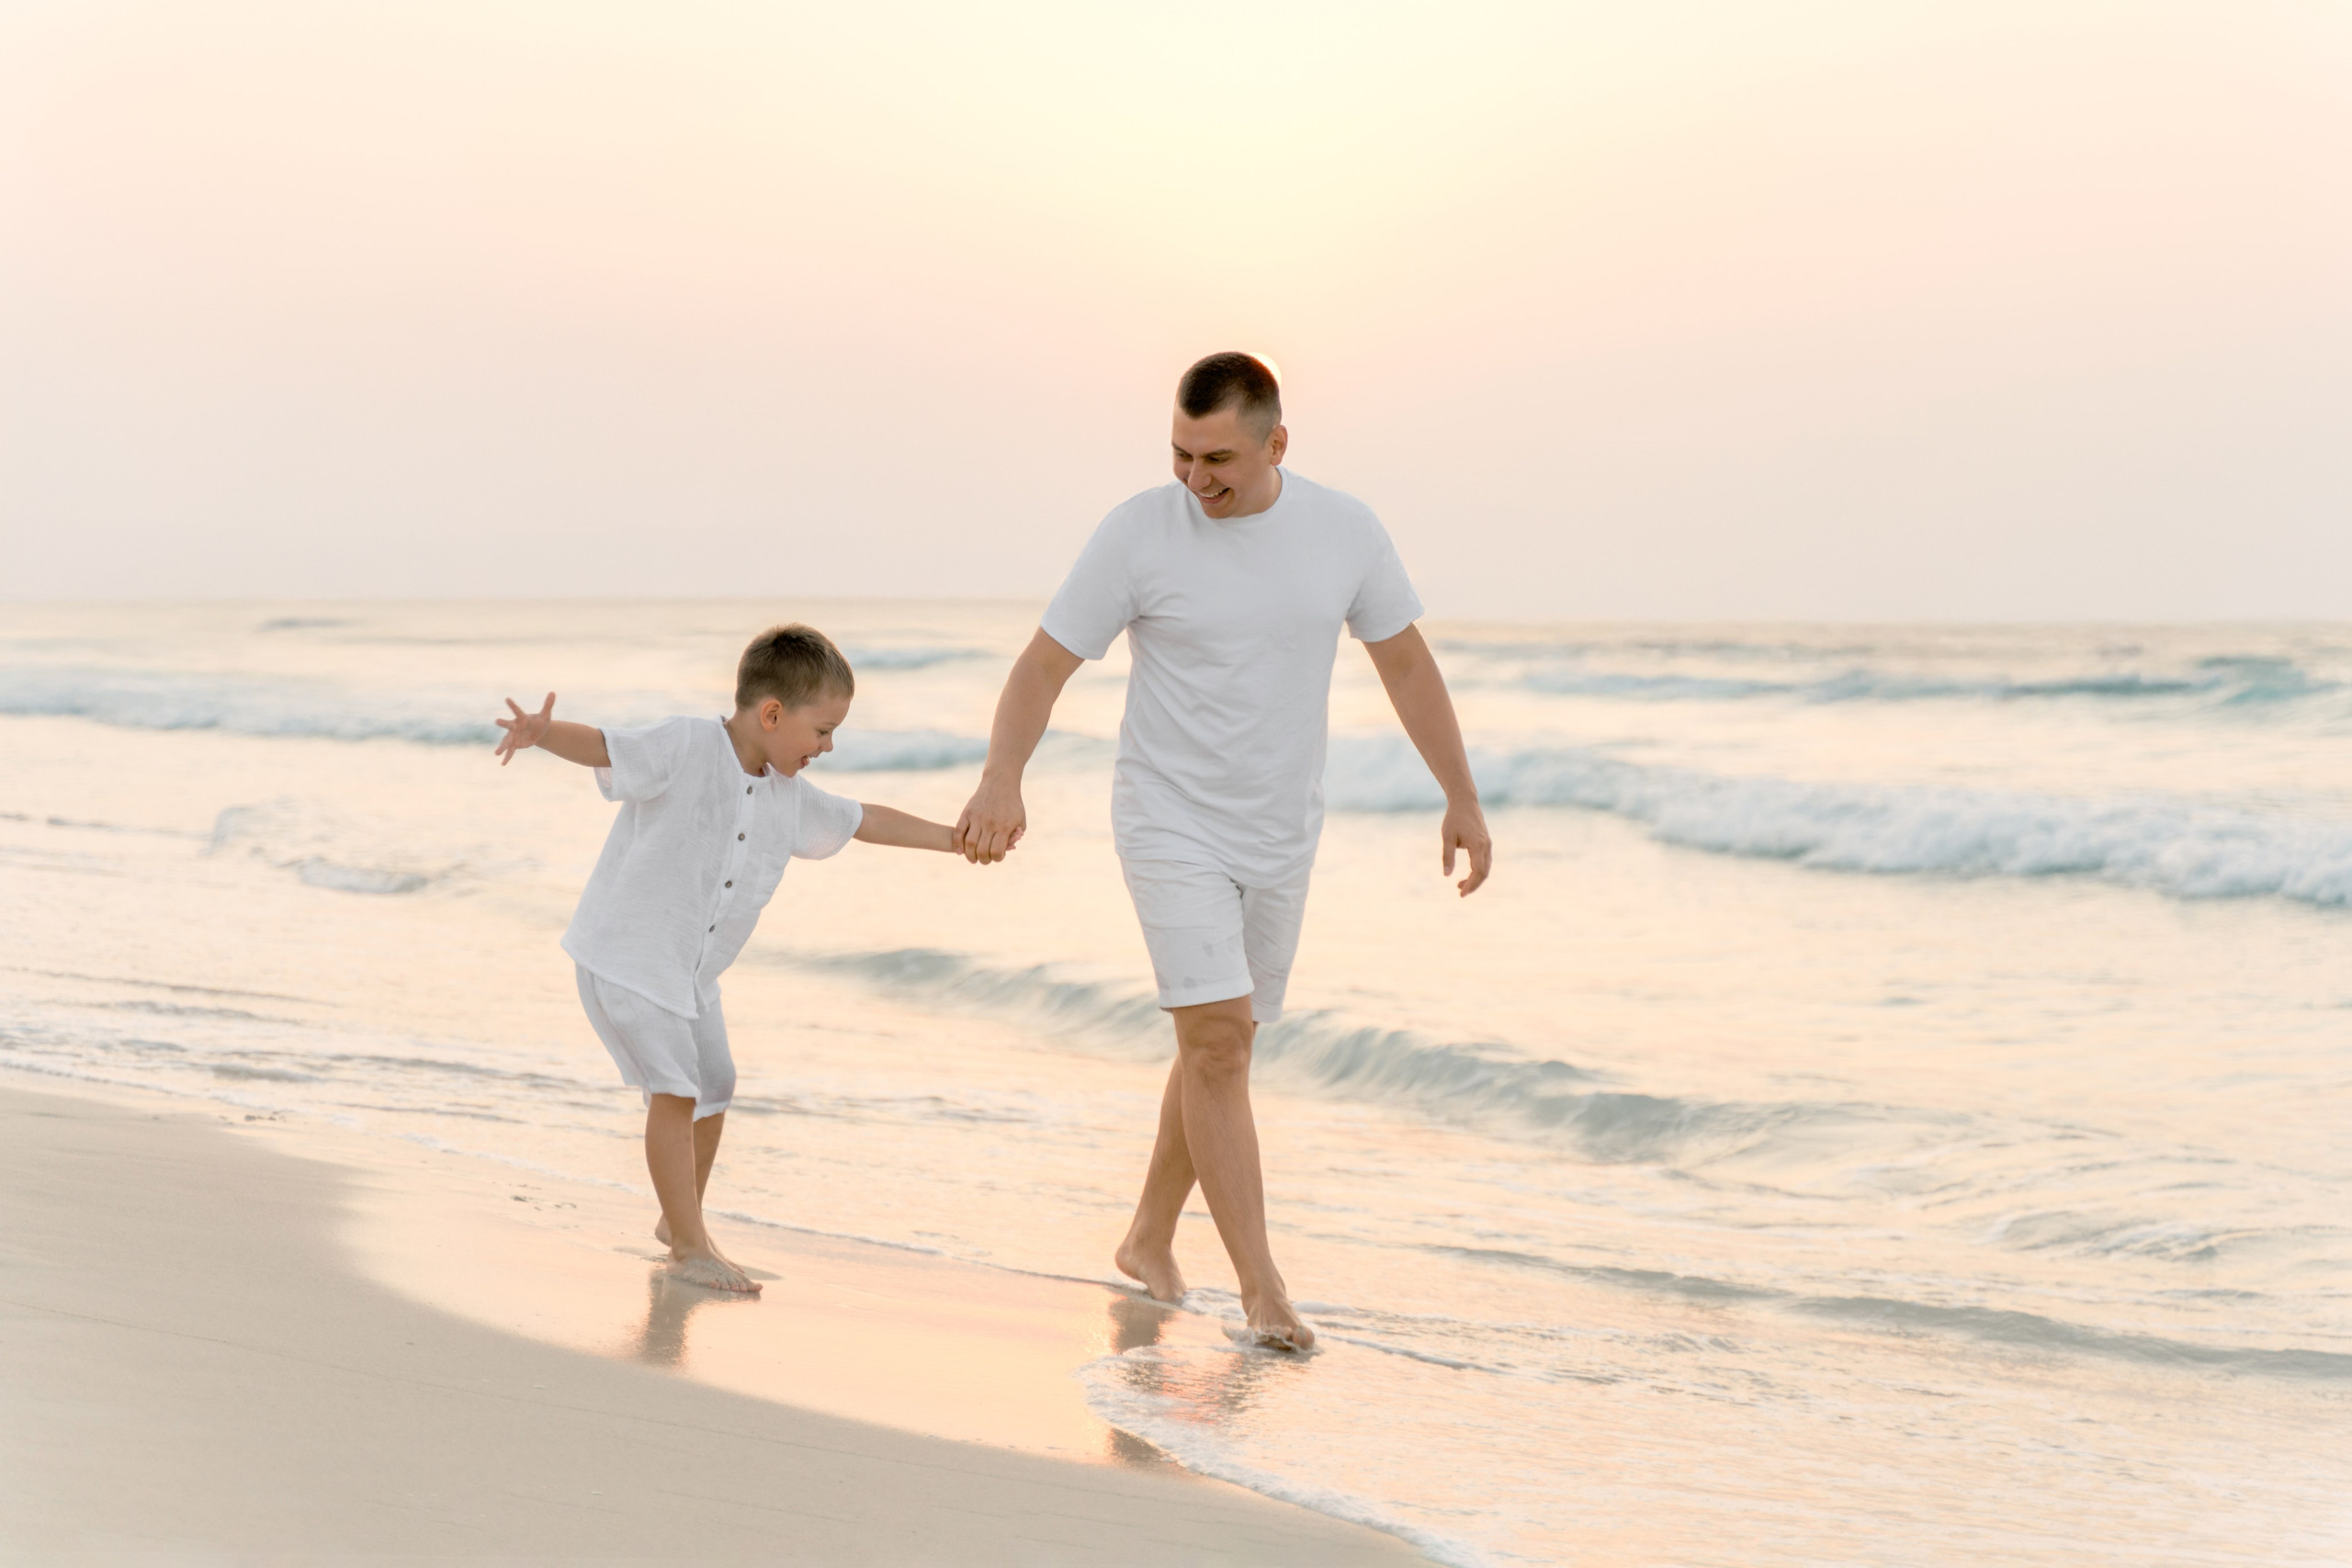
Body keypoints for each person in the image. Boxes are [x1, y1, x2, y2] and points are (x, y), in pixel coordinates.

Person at [955, 353, 1491, 1349]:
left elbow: (1406, 664)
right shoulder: (1136, 532)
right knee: (1213, 1042)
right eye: (1179, 453)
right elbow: (1043, 664)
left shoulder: (1345, 531)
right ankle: (1264, 1291)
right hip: (1167, 817)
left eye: (1218, 459)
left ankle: (1148, 1237)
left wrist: (1459, 796)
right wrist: (1001, 776)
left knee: (1226, 1043)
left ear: (1276, 444)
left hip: (1281, 826)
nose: (1196, 479)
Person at [493, 624, 978, 1294]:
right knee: (675, 1089)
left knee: (714, 1086)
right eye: (823, 730)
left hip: (691, 977)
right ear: (773, 713)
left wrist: (955, 839)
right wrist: (544, 733)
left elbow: (865, 819)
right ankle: (691, 1247)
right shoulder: (689, 744)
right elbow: (610, 746)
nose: (828, 747)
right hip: (629, 958)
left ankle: (677, 1217)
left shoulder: (788, 795)